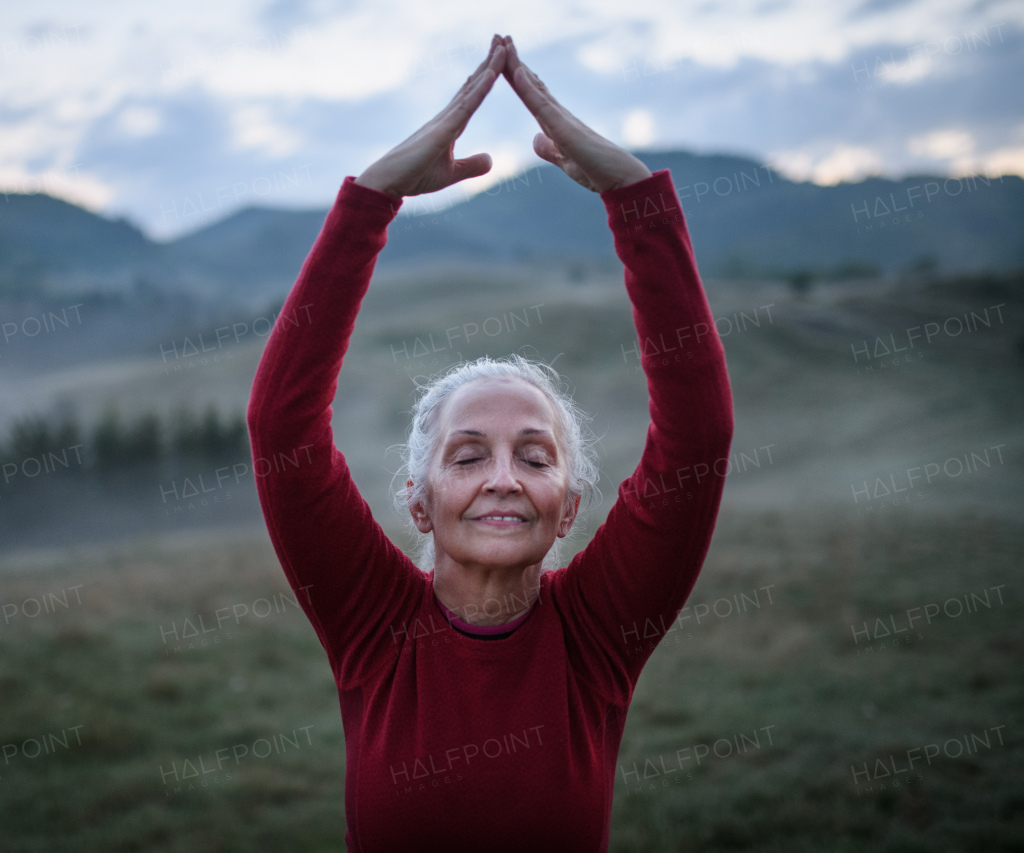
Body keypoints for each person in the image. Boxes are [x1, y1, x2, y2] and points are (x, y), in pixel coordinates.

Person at [247, 33, 734, 852]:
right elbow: (281, 428)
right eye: (468, 456)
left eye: (535, 456)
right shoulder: (372, 625)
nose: (504, 477)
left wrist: (634, 200)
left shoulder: (598, 636)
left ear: (569, 504)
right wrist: (373, 198)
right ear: (419, 498)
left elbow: (698, 439)